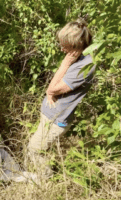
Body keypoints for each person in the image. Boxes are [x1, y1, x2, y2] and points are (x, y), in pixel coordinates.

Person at [28, 18, 96, 177]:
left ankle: (44, 180)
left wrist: (65, 64)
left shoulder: (84, 66)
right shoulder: (77, 58)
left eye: (63, 45)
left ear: (75, 46)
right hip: (50, 115)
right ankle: (38, 175)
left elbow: (52, 89)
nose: (61, 49)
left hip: (57, 120)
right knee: (39, 148)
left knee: (34, 149)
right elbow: (50, 91)